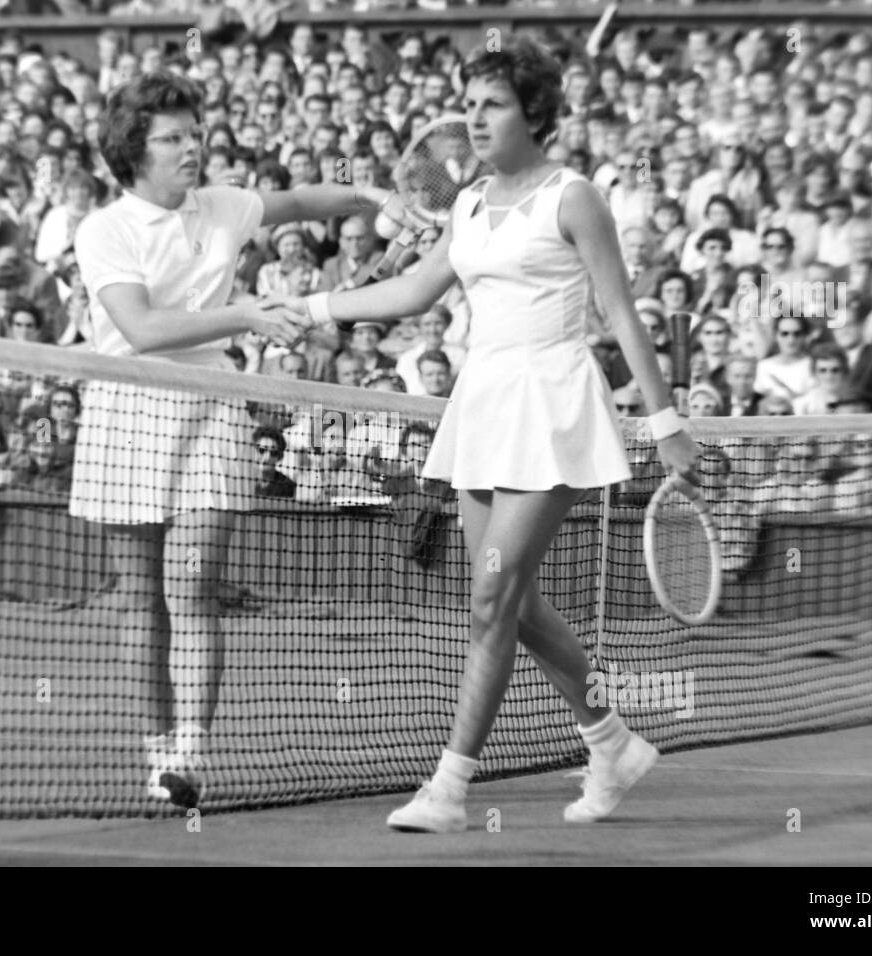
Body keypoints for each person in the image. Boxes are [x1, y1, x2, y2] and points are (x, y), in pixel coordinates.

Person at [271, 37, 698, 833]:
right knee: (517, 603)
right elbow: (411, 291)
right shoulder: (465, 203)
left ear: (535, 114)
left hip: (554, 402)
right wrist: (316, 308)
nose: (473, 116)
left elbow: (620, 311)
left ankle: (450, 790)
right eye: (467, 103)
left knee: (490, 598)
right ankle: (611, 738)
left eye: (491, 103)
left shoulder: (575, 198)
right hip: (483, 403)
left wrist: (666, 419)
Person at [70, 72, 394, 810]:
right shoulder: (104, 229)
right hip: (126, 408)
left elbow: (307, 199)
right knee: (139, 601)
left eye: (195, 133)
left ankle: (191, 756)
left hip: (211, 405)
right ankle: (155, 754)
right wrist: (247, 315)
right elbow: (143, 328)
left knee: (193, 590)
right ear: (133, 150)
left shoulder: (220, 206)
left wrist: (375, 197)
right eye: (172, 138)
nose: (193, 147)